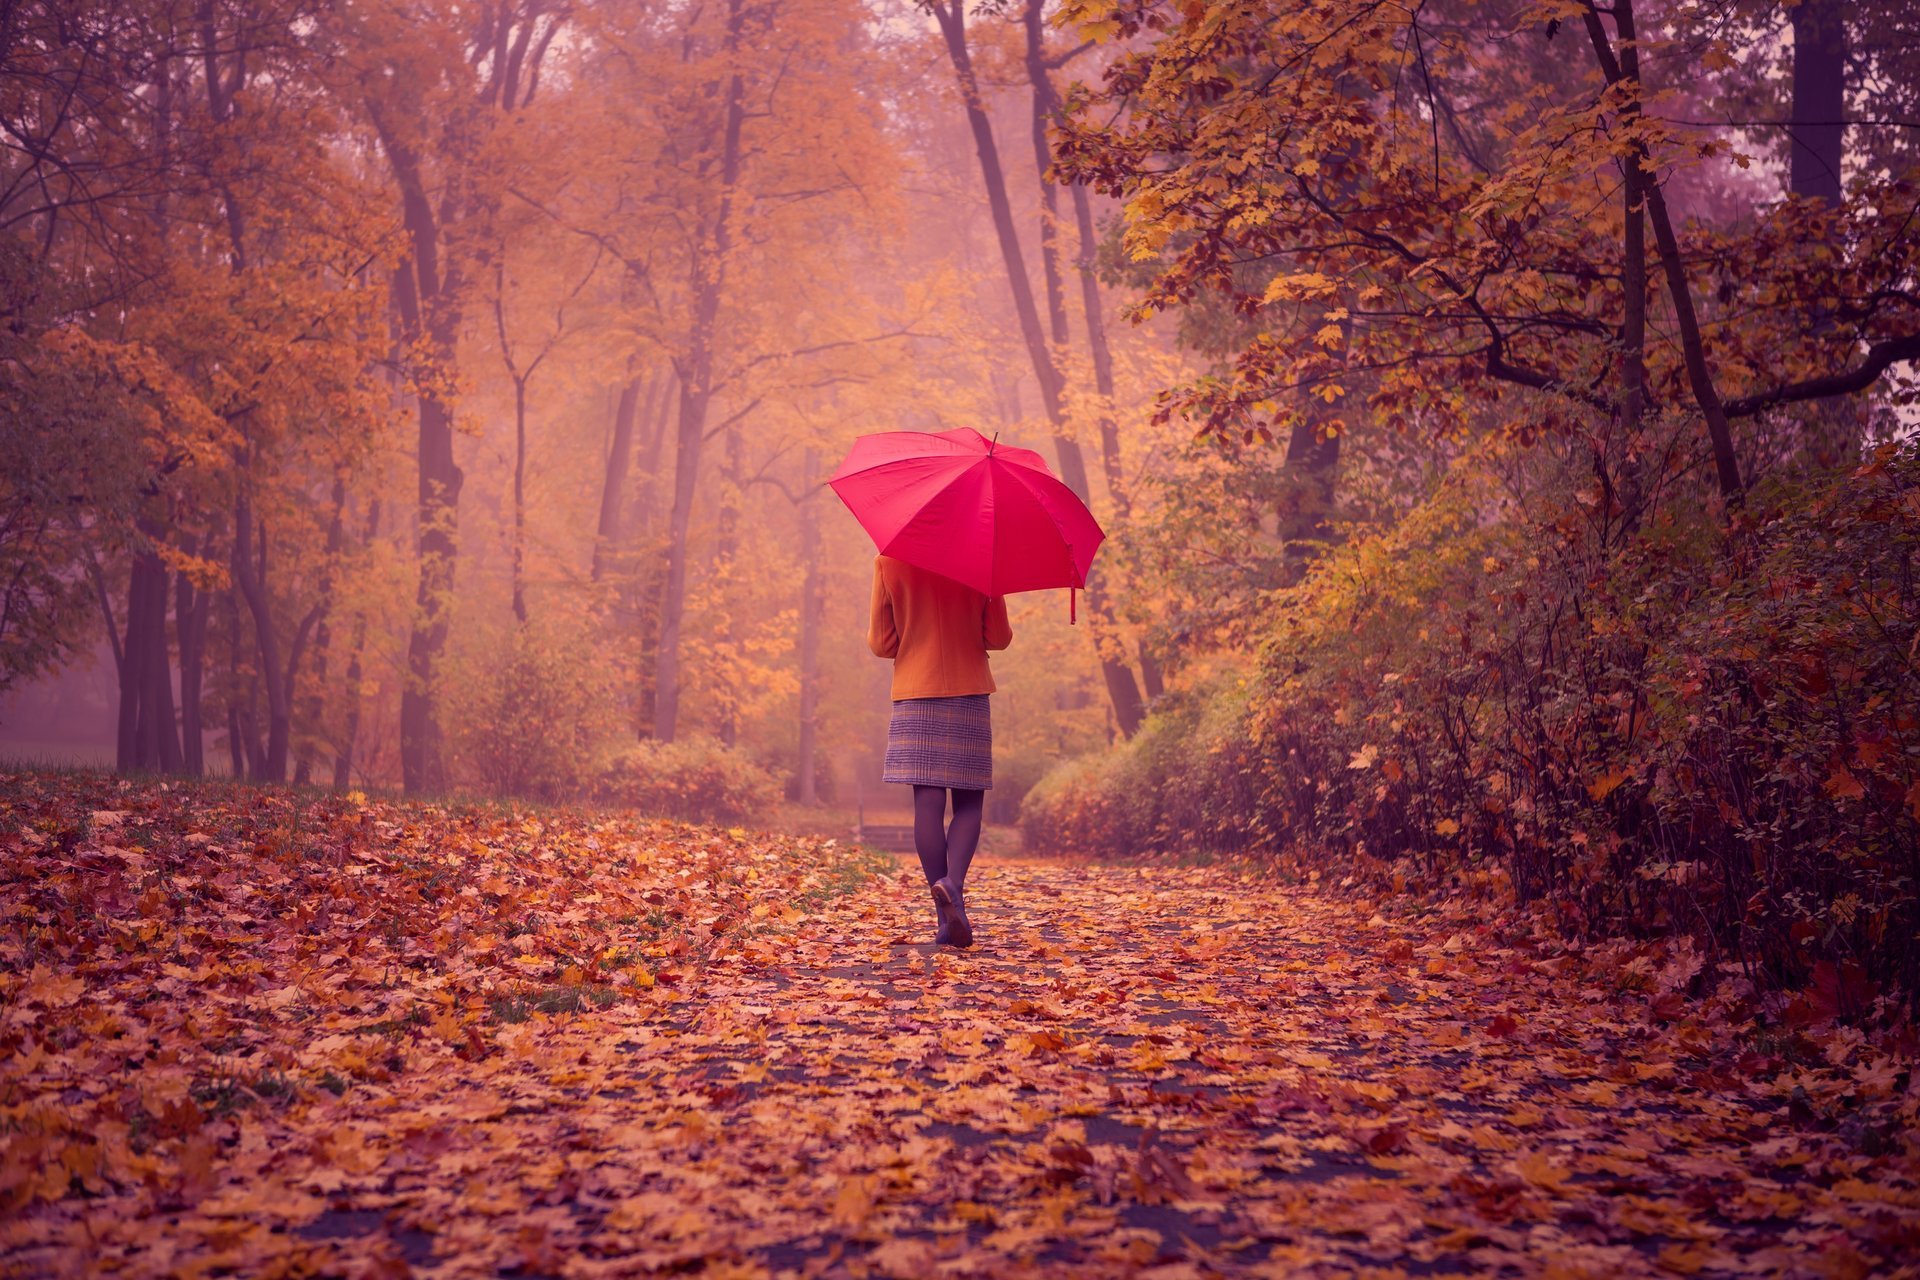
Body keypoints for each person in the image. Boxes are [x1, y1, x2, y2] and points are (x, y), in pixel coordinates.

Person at [867, 553, 1013, 947]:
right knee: (969, 803)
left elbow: (881, 643)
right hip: (968, 688)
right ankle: (953, 886)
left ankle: (946, 919)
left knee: (927, 805)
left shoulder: (890, 560)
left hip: (916, 690)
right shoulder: (981, 559)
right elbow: (999, 638)